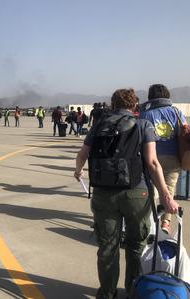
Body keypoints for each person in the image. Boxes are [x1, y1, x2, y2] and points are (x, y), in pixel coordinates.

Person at [74, 88, 179, 299]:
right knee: (135, 245)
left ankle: (107, 293)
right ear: (134, 105)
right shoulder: (143, 125)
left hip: (103, 194)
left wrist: (78, 171)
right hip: (136, 193)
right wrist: (166, 196)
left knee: (107, 248)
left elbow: (82, 154)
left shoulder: (98, 125)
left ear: (113, 105)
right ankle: (134, 290)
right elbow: (152, 163)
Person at [139, 84, 186, 233]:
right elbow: (184, 131)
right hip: (173, 157)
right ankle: (166, 222)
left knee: (152, 191)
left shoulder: (145, 114)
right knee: (169, 189)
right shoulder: (176, 112)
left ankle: (152, 221)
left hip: (152, 157)